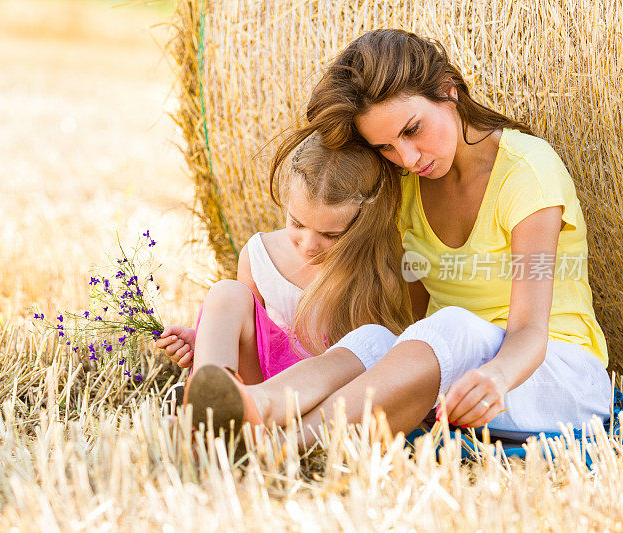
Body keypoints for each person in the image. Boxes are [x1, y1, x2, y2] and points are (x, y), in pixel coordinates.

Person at [184, 29, 613, 444]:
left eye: (412, 130)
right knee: (376, 339)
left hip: (551, 375)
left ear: (448, 90)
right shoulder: (406, 186)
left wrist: (496, 376)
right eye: (386, 147)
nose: (407, 158)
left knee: (453, 326)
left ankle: (278, 447)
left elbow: (528, 332)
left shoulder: (528, 174)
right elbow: (411, 325)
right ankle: (257, 406)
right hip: (460, 372)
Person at [156, 132, 413, 423]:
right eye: (297, 223)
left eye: (332, 235)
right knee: (227, 293)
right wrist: (210, 340)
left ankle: (243, 419)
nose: (308, 245)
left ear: (363, 223)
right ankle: (208, 405)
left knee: (373, 341)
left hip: (322, 399)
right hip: (257, 386)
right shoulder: (259, 255)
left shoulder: (374, 270)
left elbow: (375, 357)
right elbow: (250, 330)